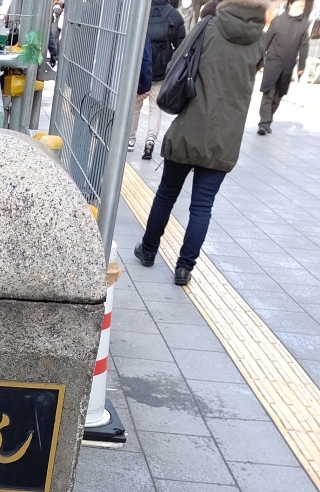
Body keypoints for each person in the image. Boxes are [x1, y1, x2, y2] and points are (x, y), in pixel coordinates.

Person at [134, 0, 267, 286]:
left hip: (190, 128)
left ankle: (148, 250)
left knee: (167, 194)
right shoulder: (260, 39)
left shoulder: (209, 26)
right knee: (202, 206)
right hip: (226, 136)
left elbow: (176, 62)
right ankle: (184, 268)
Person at [129, 0, 187, 158]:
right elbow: (181, 46)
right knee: (155, 106)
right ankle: (150, 139)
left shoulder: (140, 11)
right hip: (162, 68)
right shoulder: (173, 14)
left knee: (136, 103)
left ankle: (130, 139)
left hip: (140, 67)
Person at [258, 0, 311, 133]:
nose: (301, 7)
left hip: (288, 65)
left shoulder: (304, 23)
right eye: (299, 4)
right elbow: (266, 41)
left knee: (278, 95)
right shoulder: (278, 20)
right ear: (291, 4)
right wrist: (260, 60)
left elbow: (304, 45)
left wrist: (301, 65)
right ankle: (263, 124)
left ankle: (268, 119)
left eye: (303, 6)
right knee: (268, 92)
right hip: (273, 62)